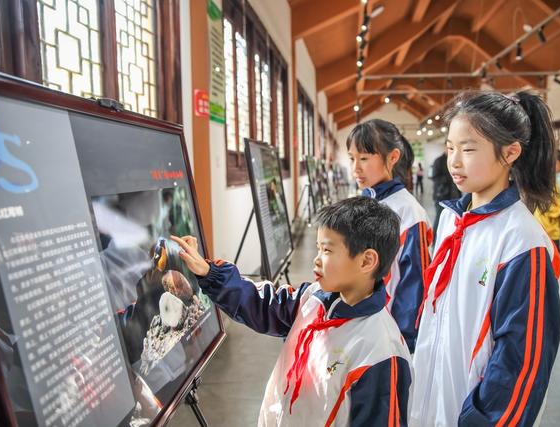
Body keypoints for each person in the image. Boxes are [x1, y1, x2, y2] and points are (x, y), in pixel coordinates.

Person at [172, 196, 413, 426]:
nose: (316, 260)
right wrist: (209, 273)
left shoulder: (380, 353)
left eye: (327, 251)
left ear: (366, 261)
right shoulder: (313, 299)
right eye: (317, 248)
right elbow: (262, 305)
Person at [411, 91, 560, 427]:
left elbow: (522, 361)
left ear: (510, 153)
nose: (454, 161)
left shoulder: (523, 242)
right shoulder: (451, 218)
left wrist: (479, 418)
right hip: (430, 402)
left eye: (468, 149)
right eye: (450, 148)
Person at [347, 118, 431, 354]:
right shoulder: (365, 202)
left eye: (364, 158)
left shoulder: (409, 212)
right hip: (362, 325)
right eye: (352, 158)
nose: (356, 168)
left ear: (392, 157)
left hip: (389, 334)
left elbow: (415, 283)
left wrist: (403, 341)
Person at [534, 149, 560, 252]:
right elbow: (549, 204)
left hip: (542, 227)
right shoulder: (549, 180)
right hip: (550, 230)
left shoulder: (543, 176)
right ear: (557, 162)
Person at [430, 152, 461, 236]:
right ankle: (435, 241)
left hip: (454, 196)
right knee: (439, 218)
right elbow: (434, 177)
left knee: (452, 220)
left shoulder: (454, 160)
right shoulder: (439, 161)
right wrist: (448, 178)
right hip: (441, 196)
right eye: (450, 148)